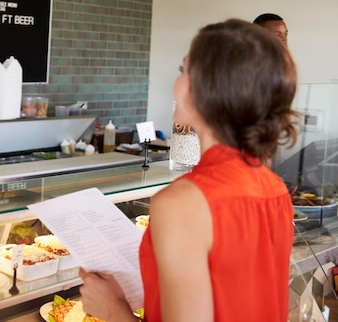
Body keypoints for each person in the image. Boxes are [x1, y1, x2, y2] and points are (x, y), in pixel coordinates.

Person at [79, 19, 299, 322]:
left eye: (184, 71)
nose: (177, 83)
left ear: (211, 89)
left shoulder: (182, 202)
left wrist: (112, 309)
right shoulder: (273, 187)